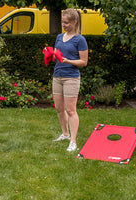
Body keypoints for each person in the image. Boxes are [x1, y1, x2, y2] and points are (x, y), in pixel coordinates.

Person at [53, 8, 88, 152]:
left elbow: (84, 62)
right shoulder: (59, 37)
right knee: (59, 109)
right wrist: (50, 53)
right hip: (57, 76)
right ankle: (65, 134)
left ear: (74, 22)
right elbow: (57, 55)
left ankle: (73, 141)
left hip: (71, 78)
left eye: (66, 22)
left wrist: (69, 61)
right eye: (62, 22)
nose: (63, 25)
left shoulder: (80, 39)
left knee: (71, 110)